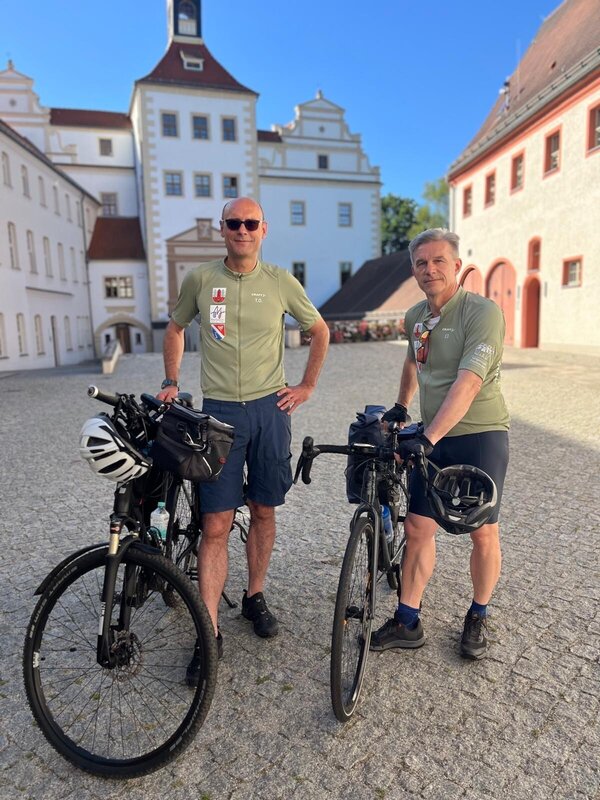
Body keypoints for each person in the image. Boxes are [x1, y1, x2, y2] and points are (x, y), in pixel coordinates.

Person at [158, 197, 329, 682]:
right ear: (223, 229)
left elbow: (319, 331)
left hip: (270, 410)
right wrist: (171, 379)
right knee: (215, 523)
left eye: (250, 223)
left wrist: (306, 386)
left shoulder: (279, 281)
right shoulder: (200, 279)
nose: (242, 230)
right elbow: (175, 328)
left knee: (263, 510)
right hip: (219, 413)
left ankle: (255, 595)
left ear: (263, 230)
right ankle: (208, 630)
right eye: (234, 223)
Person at [371, 228, 509, 660]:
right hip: (432, 436)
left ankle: (478, 613)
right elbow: (412, 359)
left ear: (456, 265)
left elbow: (469, 382)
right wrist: (401, 405)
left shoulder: (482, 313)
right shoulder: (415, 315)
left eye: (438, 261)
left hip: (479, 434)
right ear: (413, 270)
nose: (429, 269)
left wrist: (427, 437)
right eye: (421, 263)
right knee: (417, 527)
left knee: (482, 531)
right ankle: (408, 620)